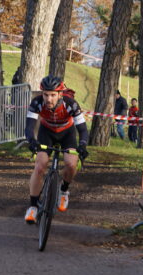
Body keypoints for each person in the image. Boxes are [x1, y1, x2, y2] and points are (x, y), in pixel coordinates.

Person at [23, 75, 89, 224]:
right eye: (46, 94)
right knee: (40, 166)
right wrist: (32, 141)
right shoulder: (37, 103)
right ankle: (33, 206)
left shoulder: (70, 104)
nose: (49, 99)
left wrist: (83, 145)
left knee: (71, 164)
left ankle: (64, 190)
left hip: (67, 133)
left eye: (53, 95)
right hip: (46, 133)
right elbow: (29, 127)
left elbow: (83, 130)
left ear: (60, 94)